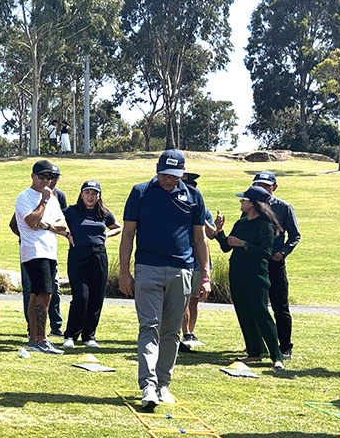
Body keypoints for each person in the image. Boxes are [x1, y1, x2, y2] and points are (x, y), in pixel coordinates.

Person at [118, 150, 211, 410]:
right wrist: (124, 272)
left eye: (173, 175)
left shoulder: (193, 196)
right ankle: (147, 386)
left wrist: (205, 275)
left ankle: (163, 385)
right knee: (150, 326)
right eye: (163, 174)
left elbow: (200, 238)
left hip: (182, 270)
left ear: (182, 173)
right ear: (156, 169)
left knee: (171, 331)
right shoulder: (140, 192)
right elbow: (128, 235)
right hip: (148, 267)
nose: (167, 179)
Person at [214, 186, 285, 371]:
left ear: (254, 204)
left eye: (244, 200)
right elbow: (226, 247)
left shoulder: (265, 225)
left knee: (261, 314)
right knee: (243, 313)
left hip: (256, 275)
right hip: (237, 273)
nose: (241, 202)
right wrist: (220, 231)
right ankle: (254, 353)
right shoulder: (241, 222)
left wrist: (243, 244)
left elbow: (266, 252)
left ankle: (276, 356)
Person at [14, 159, 69, 355]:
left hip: (49, 251)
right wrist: (44, 201)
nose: (47, 180)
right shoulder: (25, 197)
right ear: (33, 177)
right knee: (45, 294)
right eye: (43, 176)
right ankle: (41, 339)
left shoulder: (54, 198)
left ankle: (34, 339)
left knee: (38, 295)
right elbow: (31, 222)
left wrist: (48, 225)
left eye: (50, 177)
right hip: (34, 251)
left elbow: (62, 224)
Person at [61, 180, 120, 350]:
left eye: (94, 193)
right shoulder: (71, 211)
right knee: (81, 296)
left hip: (98, 255)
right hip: (78, 255)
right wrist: (66, 234)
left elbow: (118, 227)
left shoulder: (103, 213)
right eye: (87, 192)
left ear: (99, 195)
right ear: (81, 194)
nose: (90, 196)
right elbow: (54, 222)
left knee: (96, 297)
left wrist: (107, 236)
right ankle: (70, 335)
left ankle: (89, 336)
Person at [252, 171, 301, 360]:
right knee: (257, 305)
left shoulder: (283, 207)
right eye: (258, 184)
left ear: (274, 187)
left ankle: (285, 347)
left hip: (275, 262)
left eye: (265, 185)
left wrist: (283, 253)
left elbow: (295, 235)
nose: (262, 188)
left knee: (280, 307)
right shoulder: (250, 205)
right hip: (256, 262)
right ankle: (259, 345)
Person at [179, 173, 217, 351]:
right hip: (183, 259)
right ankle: (183, 332)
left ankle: (190, 333)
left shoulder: (204, 211)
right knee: (182, 300)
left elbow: (210, 234)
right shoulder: (178, 207)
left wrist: (201, 216)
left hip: (199, 262)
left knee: (194, 300)